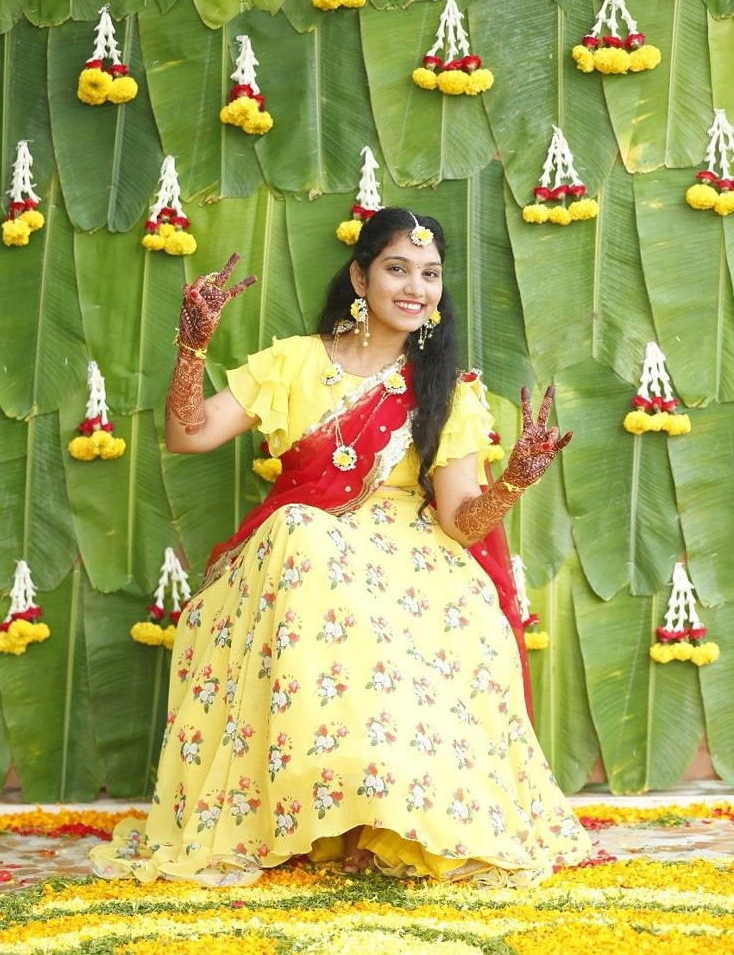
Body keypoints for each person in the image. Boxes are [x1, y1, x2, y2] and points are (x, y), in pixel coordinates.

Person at [91, 207, 591, 886]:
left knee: (441, 595)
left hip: (412, 553)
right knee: (306, 542)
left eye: (430, 274)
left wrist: (512, 483)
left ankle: (387, 820)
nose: (415, 286)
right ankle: (316, 815)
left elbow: (460, 523)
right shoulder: (294, 361)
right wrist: (191, 348)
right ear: (359, 276)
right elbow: (190, 434)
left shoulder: (447, 392)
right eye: (397, 268)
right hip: (302, 546)